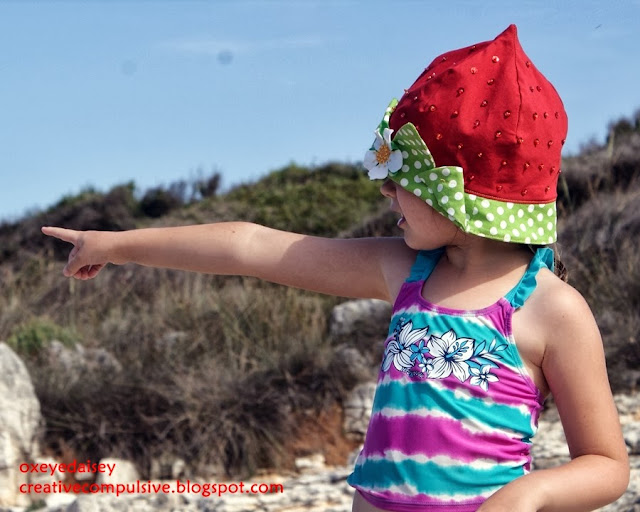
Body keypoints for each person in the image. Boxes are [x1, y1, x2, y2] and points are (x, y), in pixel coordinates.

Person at [43, 25, 628, 511]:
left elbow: (606, 465)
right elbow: (249, 247)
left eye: (403, 181)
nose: (386, 193)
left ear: (464, 198)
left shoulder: (552, 310)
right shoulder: (402, 271)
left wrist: (530, 494)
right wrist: (114, 243)